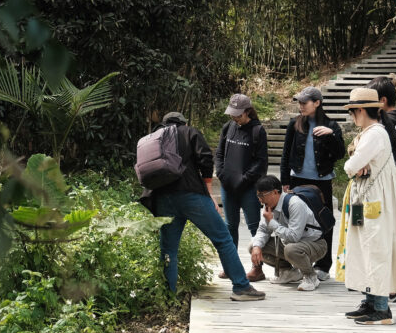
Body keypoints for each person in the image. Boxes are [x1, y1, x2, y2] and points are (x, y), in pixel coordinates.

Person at [139, 111, 266, 301]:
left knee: (168, 250)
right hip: (192, 195)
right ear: (183, 122)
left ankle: (169, 296)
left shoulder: (152, 139)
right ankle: (241, 287)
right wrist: (207, 189)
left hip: (163, 199)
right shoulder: (189, 132)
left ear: (164, 124)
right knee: (223, 239)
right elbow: (206, 158)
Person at [341, 88, 396, 325]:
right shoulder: (368, 133)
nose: (352, 117)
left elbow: (351, 165)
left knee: (376, 249)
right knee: (362, 247)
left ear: (360, 110)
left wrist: (356, 164)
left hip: (374, 202)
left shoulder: (375, 134)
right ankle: (368, 300)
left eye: (353, 112)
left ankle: (381, 308)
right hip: (364, 200)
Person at [280, 86, 346, 281]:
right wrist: (285, 180)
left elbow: (339, 154)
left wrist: (330, 135)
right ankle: (299, 263)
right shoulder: (295, 124)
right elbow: (286, 154)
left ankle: (324, 266)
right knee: (296, 220)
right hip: (297, 179)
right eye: (299, 102)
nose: (300, 106)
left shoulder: (331, 125)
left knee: (324, 221)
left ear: (317, 103)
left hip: (322, 180)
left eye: (304, 102)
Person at [366, 76, 396, 305]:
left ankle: (387, 291)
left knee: (380, 239)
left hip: (383, 186)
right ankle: (389, 288)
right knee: (390, 237)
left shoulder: (385, 125)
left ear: (382, 101)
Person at [215, 93, 268, 282]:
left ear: (247, 111)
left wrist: (244, 179)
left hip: (249, 188)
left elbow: (261, 163)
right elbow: (219, 154)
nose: (234, 117)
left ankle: (257, 268)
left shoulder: (257, 131)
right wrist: (221, 174)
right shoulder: (228, 127)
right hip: (227, 186)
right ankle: (230, 267)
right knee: (230, 227)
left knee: (255, 227)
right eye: (232, 113)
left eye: (238, 114)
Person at [250, 176, 327, 291]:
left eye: (262, 195)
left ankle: (310, 276)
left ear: (275, 192)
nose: (260, 200)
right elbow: (263, 230)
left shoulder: (295, 204)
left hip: (315, 244)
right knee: (254, 246)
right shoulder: (267, 206)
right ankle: (287, 272)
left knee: (291, 249)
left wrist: (271, 222)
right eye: (258, 196)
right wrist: (257, 246)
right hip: (290, 245)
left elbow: (294, 237)